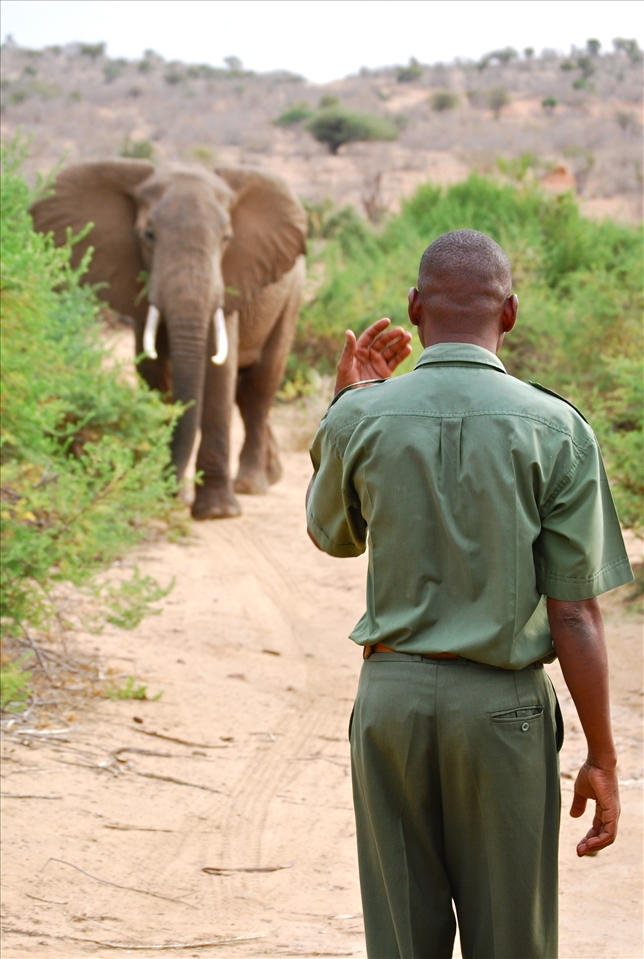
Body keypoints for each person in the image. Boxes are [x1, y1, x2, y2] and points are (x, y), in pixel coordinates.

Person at [305, 229, 633, 959]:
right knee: (513, 941)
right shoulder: (558, 428)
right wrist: (602, 755)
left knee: (400, 942)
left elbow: (333, 535)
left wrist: (341, 410)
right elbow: (575, 609)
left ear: (415, 308)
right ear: (510, 313)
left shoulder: (361, 414)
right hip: (504, 710)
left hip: (389, 703)